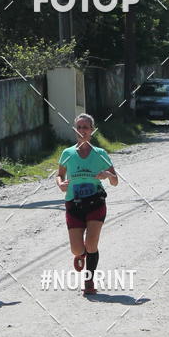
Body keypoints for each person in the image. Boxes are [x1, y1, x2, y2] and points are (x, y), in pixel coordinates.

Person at [56, 113, 118, 295]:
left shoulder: (100, 154)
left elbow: (115, 181)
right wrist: (60, 183)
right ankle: (80, 254)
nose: (82, 130)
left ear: (92, 130)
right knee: (77, 248)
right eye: (79, 127)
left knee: (91, 244)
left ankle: (89, 280)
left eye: (86, 127)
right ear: (75, 130)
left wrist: (107, 175)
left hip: (95, 202)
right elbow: (59, 174)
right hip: (73, 204)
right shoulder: (67, 153)